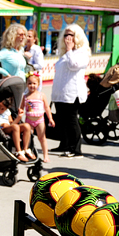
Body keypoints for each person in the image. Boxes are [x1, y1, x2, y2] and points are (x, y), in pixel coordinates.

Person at [50, 24, 91, 158]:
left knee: (72, 120)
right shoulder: (65, 54)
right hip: (60, 93)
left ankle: (76, 149)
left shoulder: (82, 53)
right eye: (66, 35)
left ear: (77, 37)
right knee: (62, 120)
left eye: (71, 35)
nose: (68, 38)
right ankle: (65, 145)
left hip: (72, 94)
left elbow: (74, 66)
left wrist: (69, 50)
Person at [22, 73, 54, 162]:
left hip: (40, 120)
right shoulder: (25, 96)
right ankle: (28, 153)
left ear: (38, 84)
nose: (32, 85)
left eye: (34, 83)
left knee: (42, 138)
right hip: (29, 121)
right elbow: (21, 108)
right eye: (29, 83)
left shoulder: (41, 95)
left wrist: (50, 118)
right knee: (28, 138)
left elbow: (47, 107)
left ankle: (45, 155)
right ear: (26, 84)